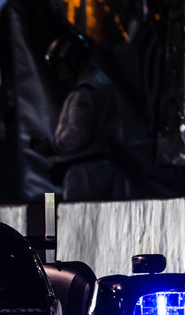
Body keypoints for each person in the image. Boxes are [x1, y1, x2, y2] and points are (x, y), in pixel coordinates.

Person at [32, 31, 136, 201]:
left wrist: (52, 147)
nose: (61, 75)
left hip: (85, 174)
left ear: (72, 60)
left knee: (75, 223)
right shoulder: (101, 82)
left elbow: (77, 133)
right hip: (105, 168)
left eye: (61, 67)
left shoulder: (85, 92)